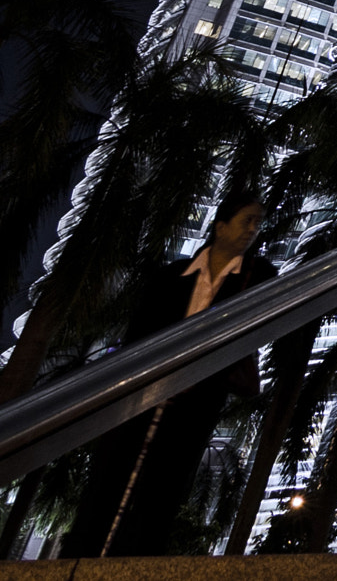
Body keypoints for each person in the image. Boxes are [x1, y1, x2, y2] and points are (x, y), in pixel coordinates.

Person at [61, 189, 277, 557]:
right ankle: (80, 557)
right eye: (246, 221)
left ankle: (133, 562)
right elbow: (137, 339)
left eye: (258, 222)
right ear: (220, 227)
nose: (253, 230)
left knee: (163, 491)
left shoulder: (257, 277)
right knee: (109, 480)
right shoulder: (170, 278)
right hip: (141, 398)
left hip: (195, 402)